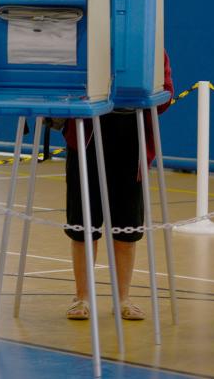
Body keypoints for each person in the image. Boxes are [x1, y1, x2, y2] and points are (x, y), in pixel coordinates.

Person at [62, 52, 174, 321]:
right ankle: (82, 298)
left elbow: (167, 93)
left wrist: (146, 96)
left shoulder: (152, 45)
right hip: (86, 134)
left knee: (127, 227)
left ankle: (123, 298)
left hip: (131, 137)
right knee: (83, 225)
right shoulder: (85, 40)